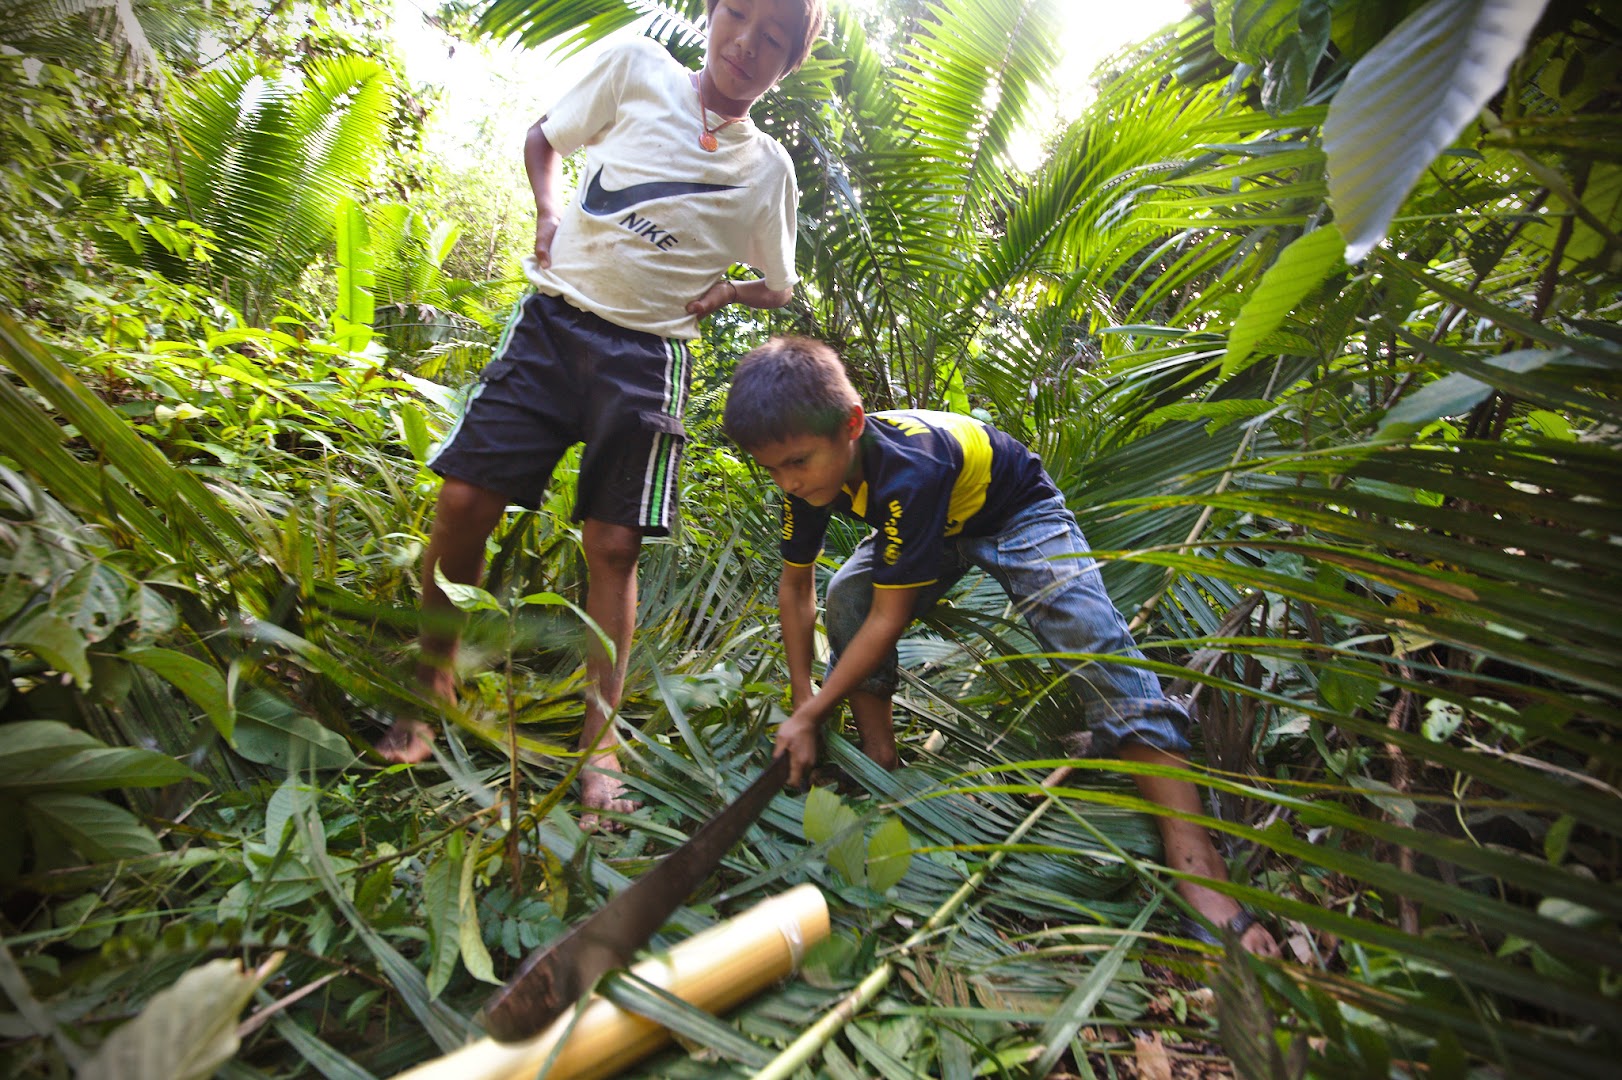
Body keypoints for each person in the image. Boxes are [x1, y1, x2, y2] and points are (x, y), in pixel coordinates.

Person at [379, 0, 828, 829]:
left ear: (789, 63)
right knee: (463, 502)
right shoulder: (636, 70)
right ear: (710, 10)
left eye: (773, 39)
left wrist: (729, 289)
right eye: (738, 15)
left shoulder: (768, 172)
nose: (746, 44)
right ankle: (432, 678)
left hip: (650, 357)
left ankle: (601, 744)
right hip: (555, 324)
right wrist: (550, 213)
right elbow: (543, 138)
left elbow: (780, 284)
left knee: (614, 547)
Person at [721, 336, 1282, 955]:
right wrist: (804, 702)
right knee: (847, 595)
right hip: (930, 527)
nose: (787, 482)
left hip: (1016, 515)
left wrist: (809, 714)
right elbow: (796, 585)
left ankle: (1199, 870)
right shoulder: (807, 477)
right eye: (772, 469)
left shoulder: (912, 466)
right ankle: (879, 767)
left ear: (851, 425)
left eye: (797, 463)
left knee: (1092, 642)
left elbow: (891, 617)